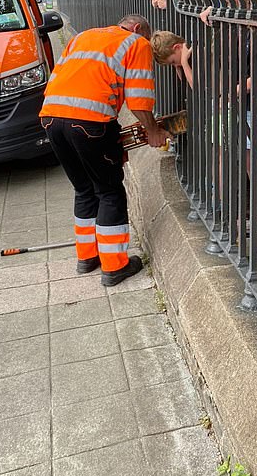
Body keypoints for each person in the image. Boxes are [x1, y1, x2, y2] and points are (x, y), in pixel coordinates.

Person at [40, 15, 170, 286]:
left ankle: (87, 257)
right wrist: (153, 130)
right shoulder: (136, 43)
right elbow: (139, 98)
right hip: (90, 122)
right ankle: (114, 266)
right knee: (109, 190)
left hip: (51, 117)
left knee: (84, 188)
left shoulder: (82, 36)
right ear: (137, 29)